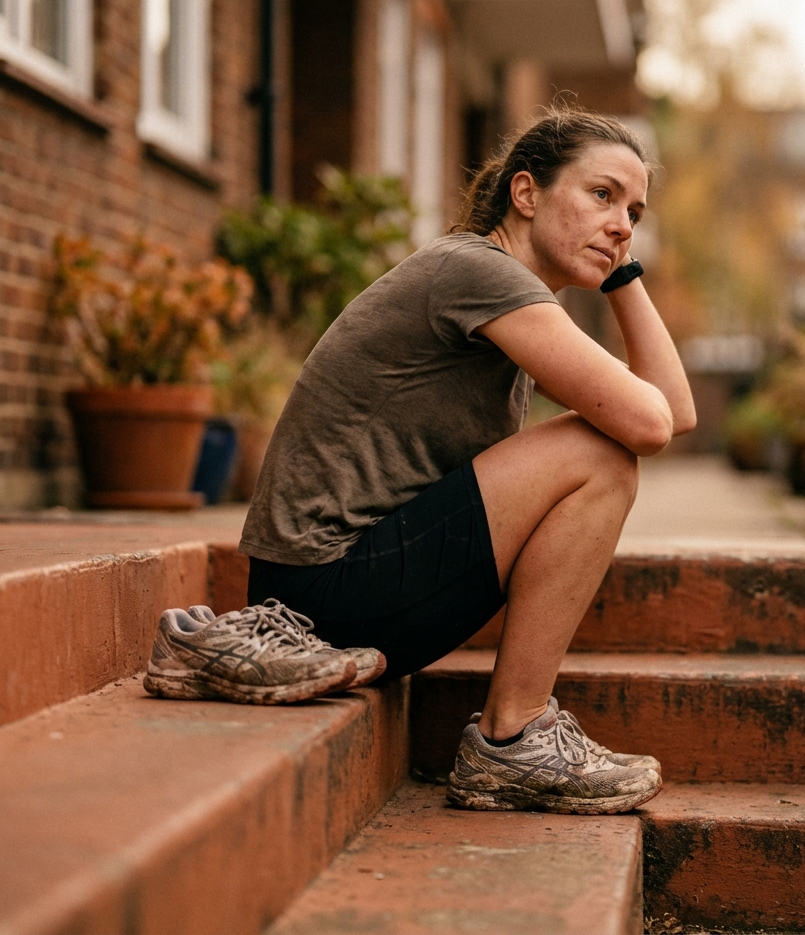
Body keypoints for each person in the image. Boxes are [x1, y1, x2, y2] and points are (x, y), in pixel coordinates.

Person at [169, 108, 695, 813]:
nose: (622, 221)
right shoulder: (475, 271)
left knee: (607, 446)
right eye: (601, 195)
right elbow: (648, 423)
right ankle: (514, 739)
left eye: (635, 211)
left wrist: (620, 265)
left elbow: (676, 412)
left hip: (375, 590)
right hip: (315, 595)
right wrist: (616, 256)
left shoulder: (510, 292)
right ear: (526, 193)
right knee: (599, 453)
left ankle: (515, 739)